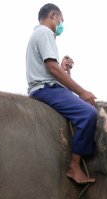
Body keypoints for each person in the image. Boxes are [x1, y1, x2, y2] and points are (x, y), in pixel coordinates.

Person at [26, 3, 97, 184]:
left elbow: (53, 68)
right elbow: (51, 68)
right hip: (45, 89)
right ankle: (74, 166)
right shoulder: (44, 32)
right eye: (61, 20)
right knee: (88, 113)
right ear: (53, 15)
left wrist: (64, 68)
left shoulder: (38, 35)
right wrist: (82, 92)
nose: (61, 24)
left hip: (47, 86)